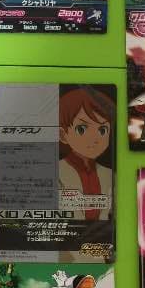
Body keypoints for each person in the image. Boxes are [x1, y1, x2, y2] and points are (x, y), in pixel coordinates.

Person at [58, 87, 114, 220]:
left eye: (102, 130)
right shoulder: (56, 172)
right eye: (81, 129)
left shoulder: (109, 174)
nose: (95, 139)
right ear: (63, 135)